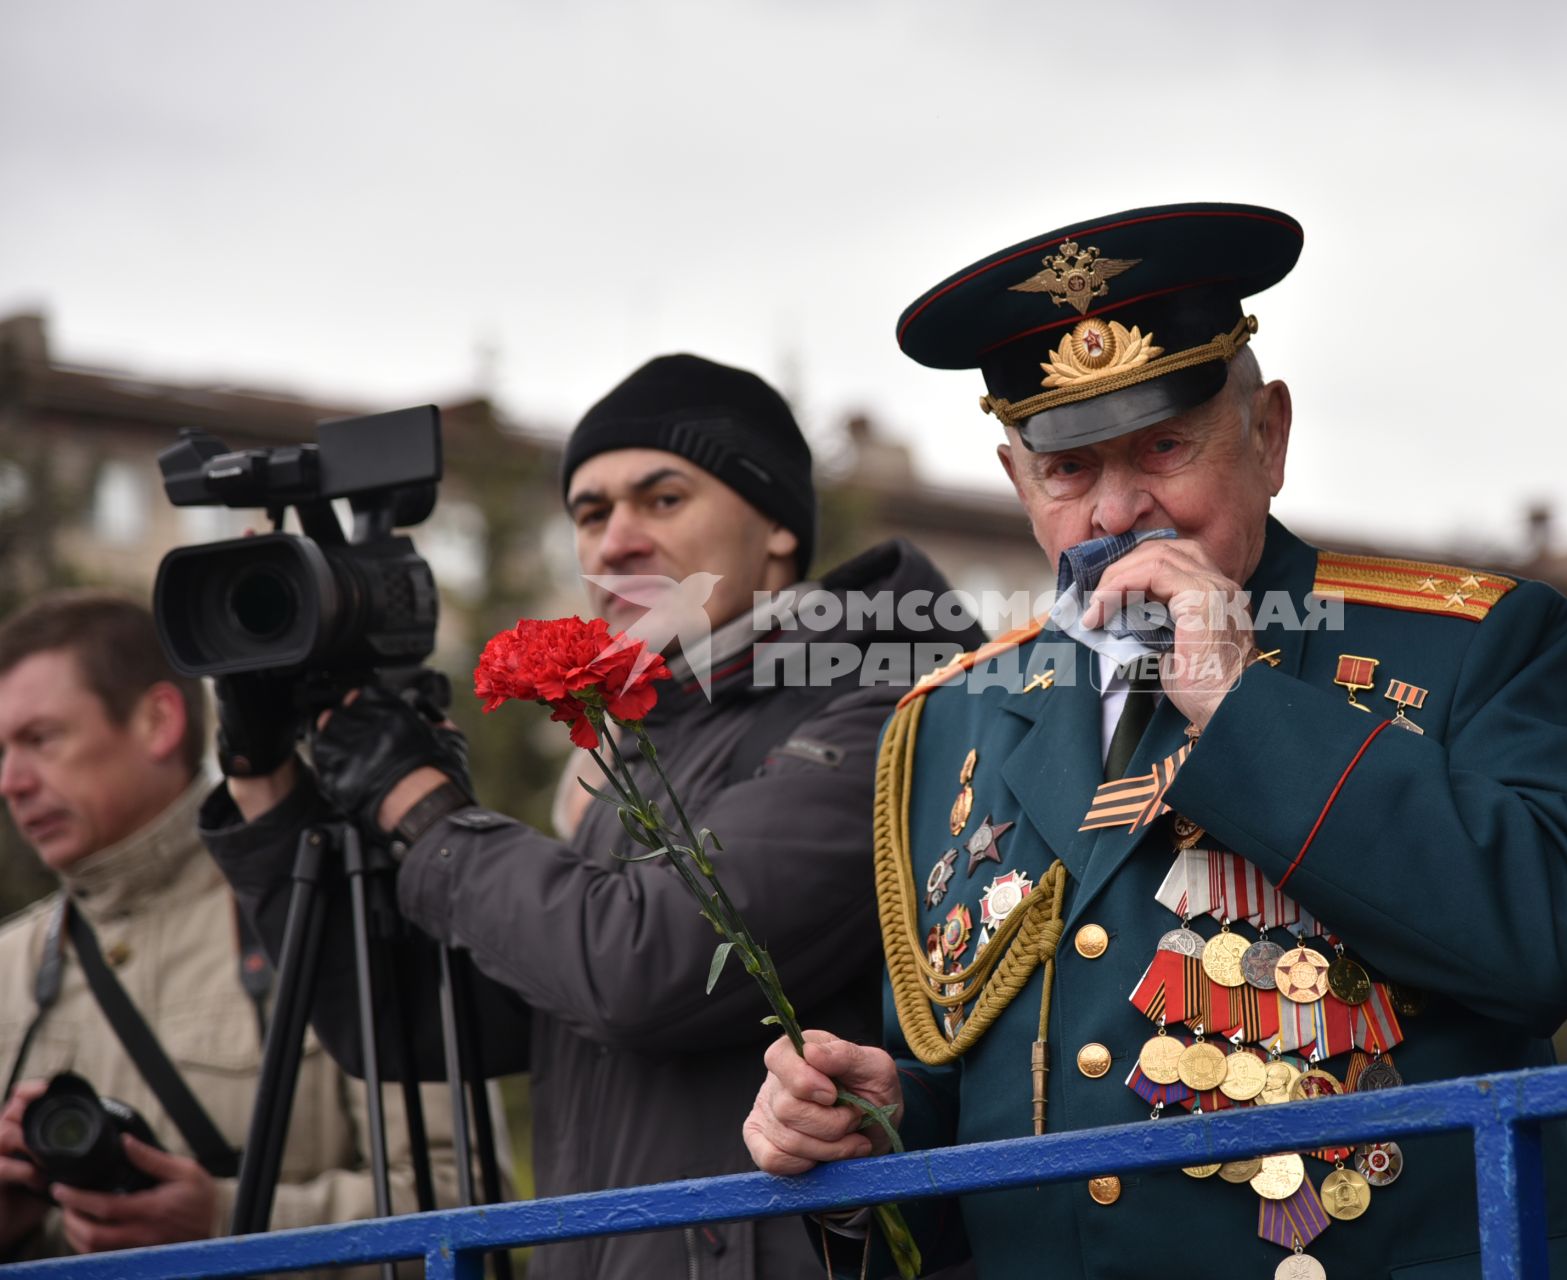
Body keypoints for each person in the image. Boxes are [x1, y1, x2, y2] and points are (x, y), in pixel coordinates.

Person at [743, 203, 1567, 1277]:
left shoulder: (1472, 641)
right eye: (1068, 470)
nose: (1122, 511)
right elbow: (984, 1118)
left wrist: (1242, 704)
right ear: (1017, 481)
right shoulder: (949, 722)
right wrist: (875, 1125)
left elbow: (1550, 935)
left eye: (1164, 446)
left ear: (1268, 434)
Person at [202, 353, 985, 1278]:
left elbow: (648, 964)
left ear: (777, 526)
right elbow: (422, 1023)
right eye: (590, 511)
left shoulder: (885, 706)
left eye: (662, 500)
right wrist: (267, 784)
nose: (616, 542)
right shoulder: (649, 743)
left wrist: (422, 808)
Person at [0, 592, 469, 1274]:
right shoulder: (9, 969)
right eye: (2, 750)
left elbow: (465, 1204)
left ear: (158, 721)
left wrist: (225, 1222)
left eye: (41, 739)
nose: (11, 782)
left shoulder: (336, 908)